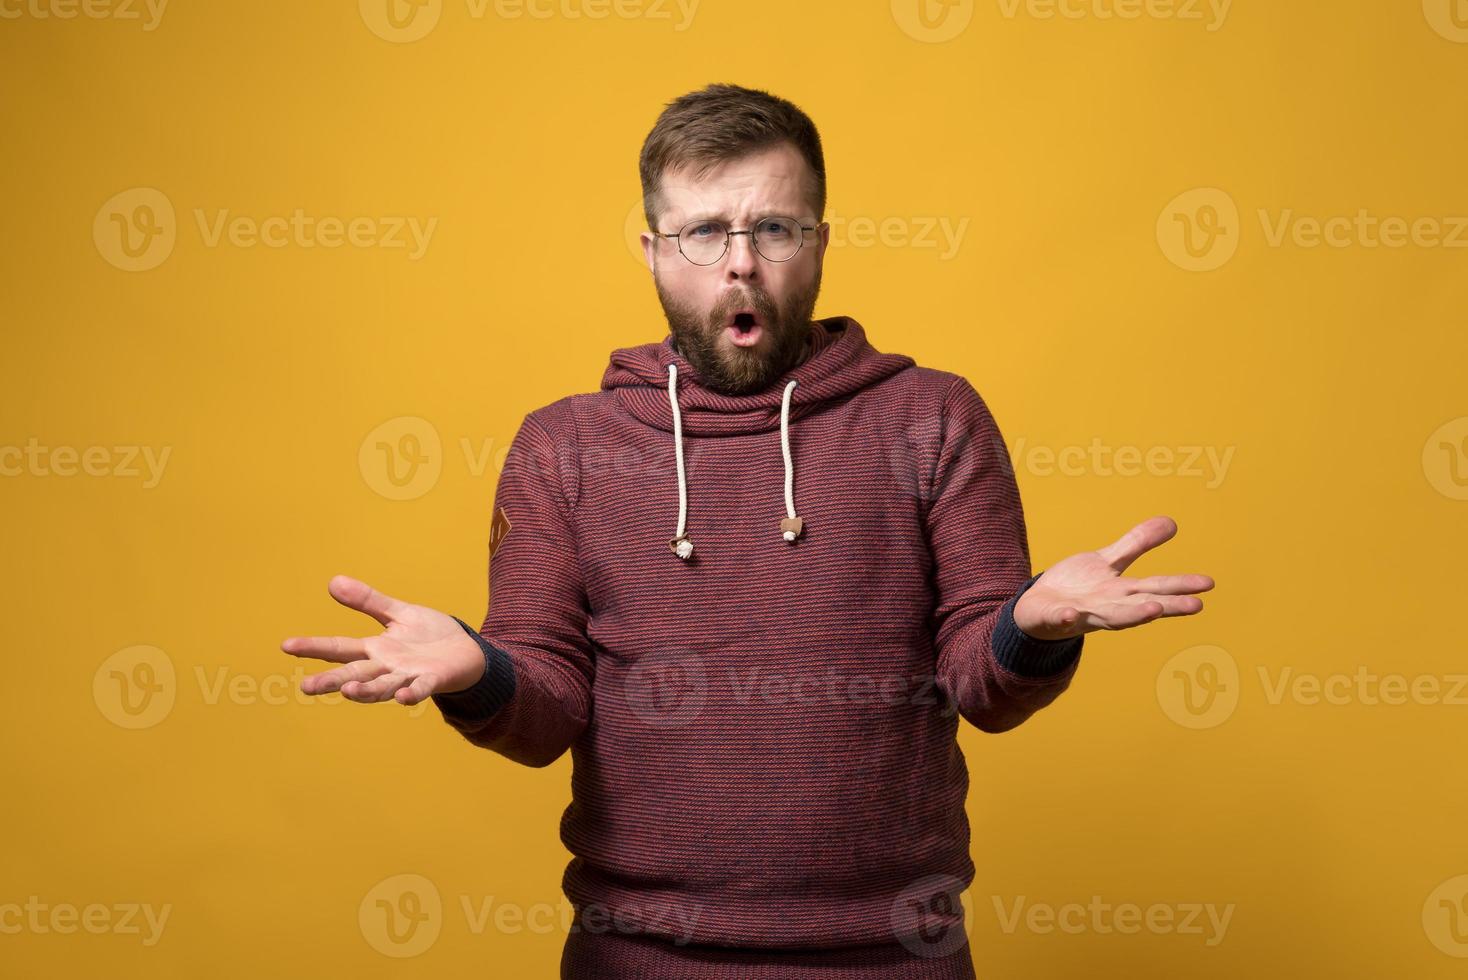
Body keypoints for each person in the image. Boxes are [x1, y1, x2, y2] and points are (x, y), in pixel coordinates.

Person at [281, 82, 1215, 979]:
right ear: (650, 250)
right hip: (635, 961)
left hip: (894, 960)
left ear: (819, 242)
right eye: (702, 232)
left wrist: (1031, 626)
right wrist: (481, 669)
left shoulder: (933, 419)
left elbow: (984, 688)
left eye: (774, 227)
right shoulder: (562, 446)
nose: (740, 262)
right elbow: (545, 716)